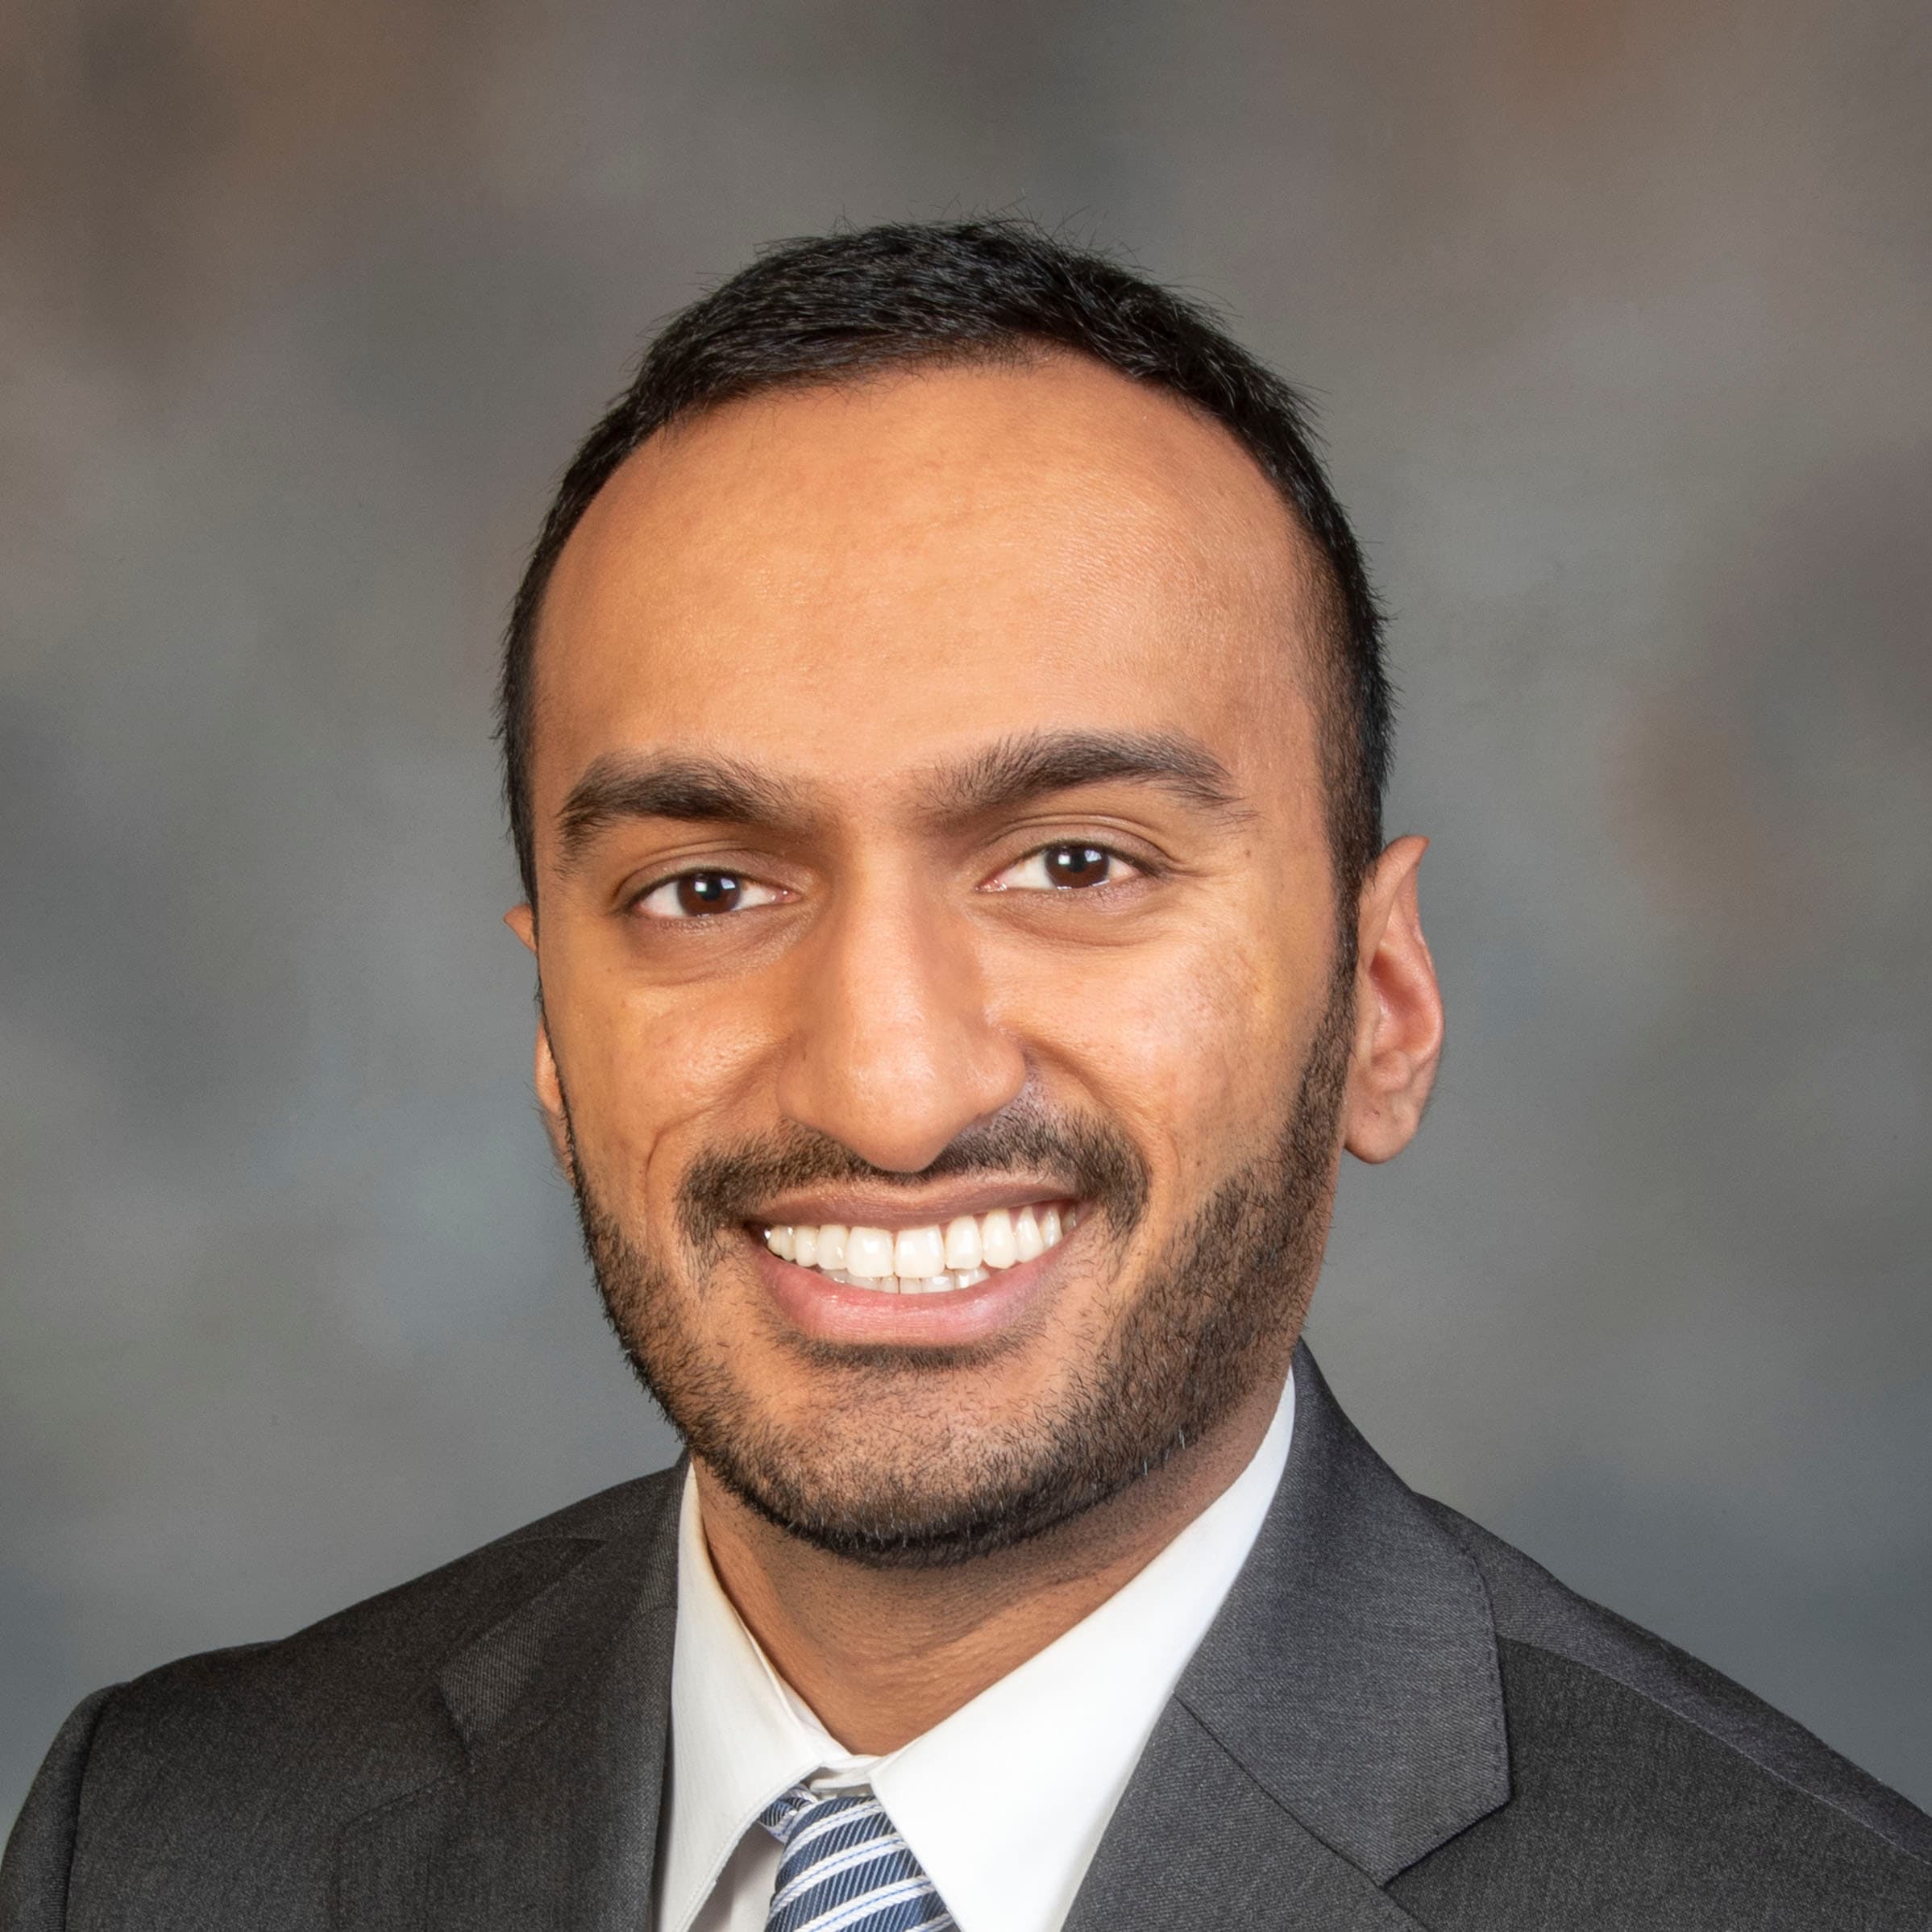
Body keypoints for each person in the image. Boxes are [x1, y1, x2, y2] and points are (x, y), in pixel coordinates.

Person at [2, 218, 1926, 1932]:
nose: (891, 1085)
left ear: (1382, 1000)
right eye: (704, 885)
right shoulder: (161, 1838)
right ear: (550, 1031)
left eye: (1074, 863)